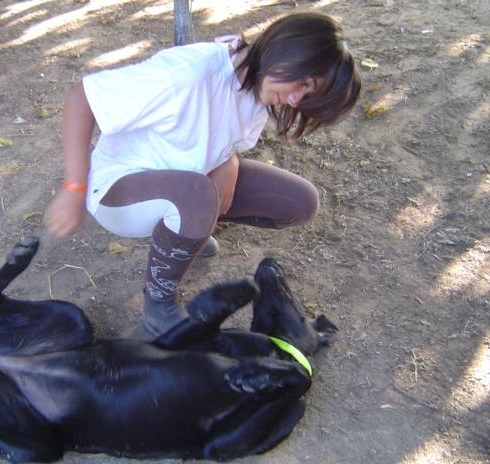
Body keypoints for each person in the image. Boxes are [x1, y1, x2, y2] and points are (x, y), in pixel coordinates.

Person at [46, 12, 361, 336]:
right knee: (196, 195)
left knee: (298, 202)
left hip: (186, 183)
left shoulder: (259, 86)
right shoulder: (188, 74)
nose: (295, 99)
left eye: (307, 97)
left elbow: (220, 137)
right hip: (117, 190)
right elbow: (82, 97)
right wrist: (73, 187)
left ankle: (183, 238)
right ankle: (158, 304)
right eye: (303, 84)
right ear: (287, 49)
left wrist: (229, 163)